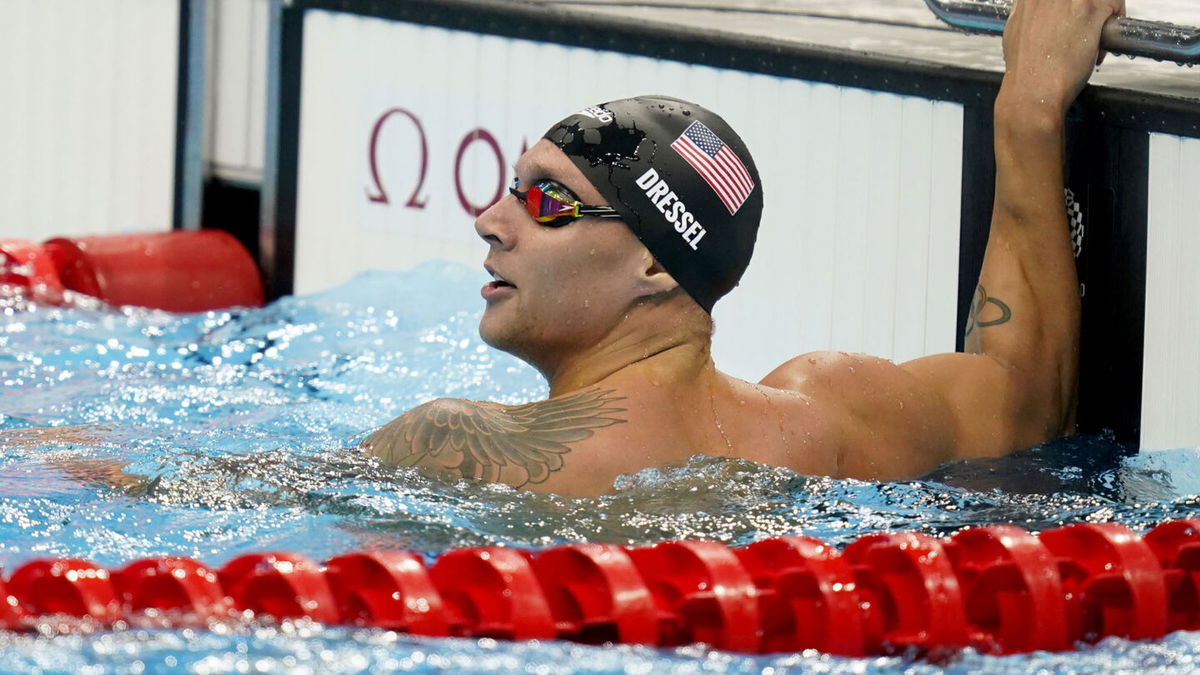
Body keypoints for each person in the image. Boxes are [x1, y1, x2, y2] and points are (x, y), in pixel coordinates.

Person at [362, 0, 1126, 496]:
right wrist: (1029, 106)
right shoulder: (832, 420)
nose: (490, 220)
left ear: (656, 264)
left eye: (546, 199)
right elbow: (1027, 391)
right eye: (510, 187)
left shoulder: (446, 448)